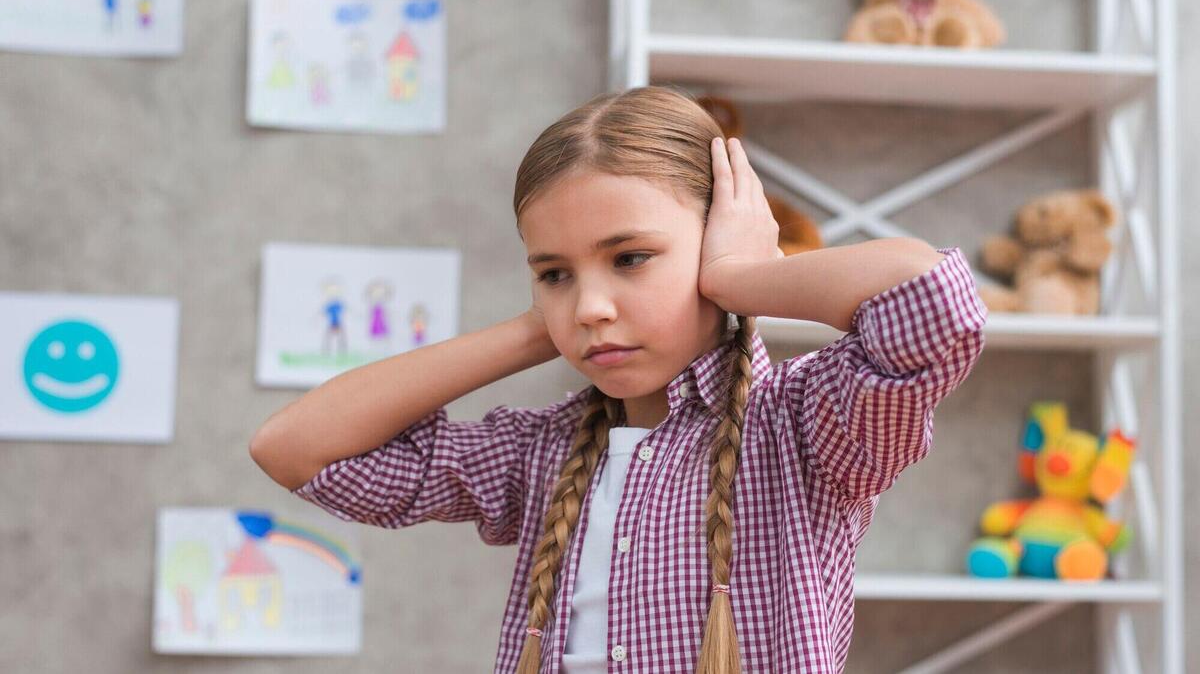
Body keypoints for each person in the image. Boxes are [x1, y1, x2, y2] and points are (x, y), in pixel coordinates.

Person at [250, 86, 987, 673]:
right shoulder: (540, 451)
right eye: (555, 271)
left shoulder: (807, 425)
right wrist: (538, 328)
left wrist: (741, 275)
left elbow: (932, 301)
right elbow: (297, 449)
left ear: (713, 239)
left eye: (629, 257)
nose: (593, 306)